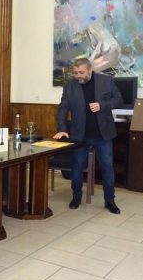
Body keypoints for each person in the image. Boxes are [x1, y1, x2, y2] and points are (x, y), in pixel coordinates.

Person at [53, 58, 123, 214]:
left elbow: (119, 100)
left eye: (81, 72)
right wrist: (62, 128)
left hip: (103, 134)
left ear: (90, 70)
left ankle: (110, 200)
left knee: (107, 167)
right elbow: (63, 108)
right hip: (80, 134)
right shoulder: (70, 86)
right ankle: (76, 197)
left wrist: (102, 105)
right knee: (77, 166)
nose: (78, 76)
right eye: (75, 72)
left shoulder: (106, 81)